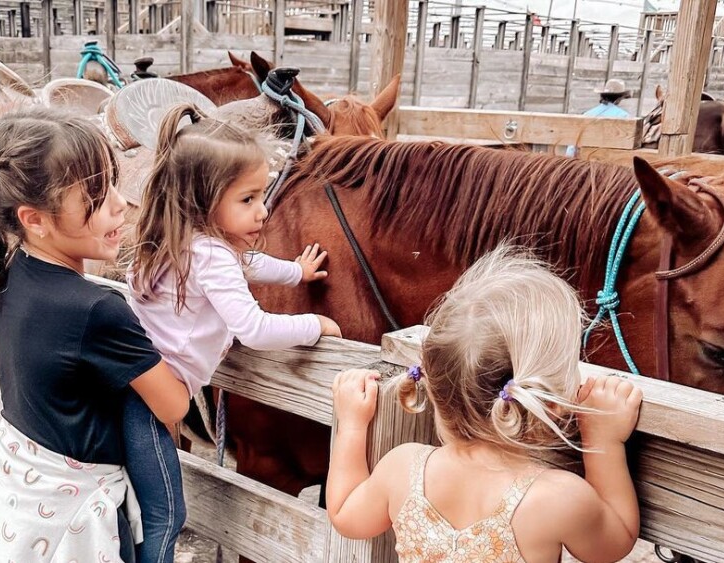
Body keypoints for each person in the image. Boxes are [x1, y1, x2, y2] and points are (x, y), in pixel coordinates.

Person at [0, 107, 190, 563]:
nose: (121, 204)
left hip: (17, 502)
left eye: (113, 186)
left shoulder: (7, 274)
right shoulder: (97, 310)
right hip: (73, 522)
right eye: (96, 195)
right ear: (35, 219)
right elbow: (174, 404)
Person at [327, 246, 643, 563]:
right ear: (553, 402)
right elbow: (614, 543)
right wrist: (603, 440)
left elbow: (345, 514)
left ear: (433, 384)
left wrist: (352, 426)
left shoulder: (403, 467)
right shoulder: (557, 498)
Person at [126, 103, 343, 562]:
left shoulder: (178, 235)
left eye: (262, 196)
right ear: (204, 201)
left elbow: (250, 264)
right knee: (164, 512)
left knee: (135, 501)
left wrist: (295, 272)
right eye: (247, 200)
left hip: (140, 384)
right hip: (154, 399)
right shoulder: (211, 254)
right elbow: (254, 328)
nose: (263, 211)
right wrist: (314, 324)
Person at [566, 78, 632, 156]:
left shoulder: (587, 114)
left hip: (585, 157)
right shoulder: (624, 116)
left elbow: (573, 146)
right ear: (619, 98)